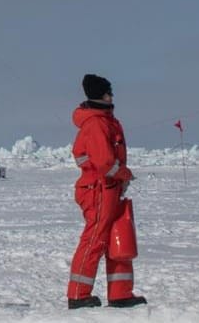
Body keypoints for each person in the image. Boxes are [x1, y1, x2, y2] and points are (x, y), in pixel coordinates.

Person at [66, 74, 145, 309]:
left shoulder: (106, 120)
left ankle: (121, 293)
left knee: (117, 238)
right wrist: (124, 173)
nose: (112, 96)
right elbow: (104, 162)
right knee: (95, 240)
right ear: (101, 95)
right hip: (98, 189)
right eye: (109, 92)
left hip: (110, 189)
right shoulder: (97, 123)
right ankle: (78, 295)